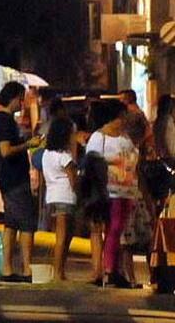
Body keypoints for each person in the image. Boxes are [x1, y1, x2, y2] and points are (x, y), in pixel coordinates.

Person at [0, 81, 42, 283]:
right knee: (27, 223)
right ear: (12, 98)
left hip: (8, 179)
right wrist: (28, 145)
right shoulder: (4, 121)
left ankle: (7, 269)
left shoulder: (2, 120)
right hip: (14, 179)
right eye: (21, 99)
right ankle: (27, 270)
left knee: (11, 223)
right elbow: (5, 151)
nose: (22, 104)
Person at [85, 99, 139, 288]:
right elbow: (91, 164)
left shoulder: (125, 138)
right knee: (114, 229)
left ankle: (114, 270)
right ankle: (109, 271)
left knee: (117, 231)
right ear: (113, 118)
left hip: (127, 191)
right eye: (122, 116)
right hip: (109, 191)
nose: (124, 120)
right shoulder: (98, 138)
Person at [41, 117, 77, 281]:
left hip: (51, 198)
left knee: (59, 237)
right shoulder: (65, 156)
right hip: (65, 197)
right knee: (64, 237)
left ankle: (59, 271)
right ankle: (58, 272)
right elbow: (73, 180)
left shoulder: (46, 154)